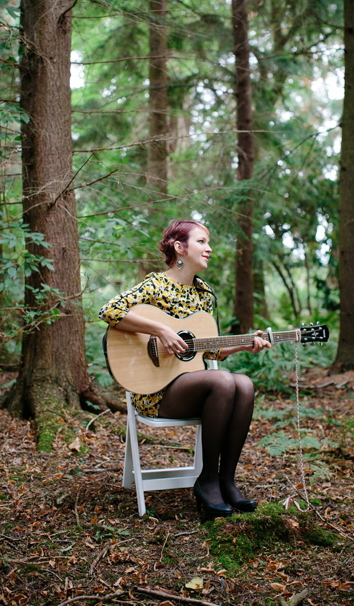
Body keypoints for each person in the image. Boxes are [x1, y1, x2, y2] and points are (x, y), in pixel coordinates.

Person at [100, 219, 270, 521]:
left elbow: (210, 349)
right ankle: (206, 482)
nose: (209, 248)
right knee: (222, 381)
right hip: (156, 391)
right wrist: (160, 330)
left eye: (208, 242)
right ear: (180, 247)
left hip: (194, 386)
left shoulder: (204, 294)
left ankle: (225, 480)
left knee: (243, 383)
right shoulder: (156, 284)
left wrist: (245, 344)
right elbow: (110, 311)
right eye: (201, 242)